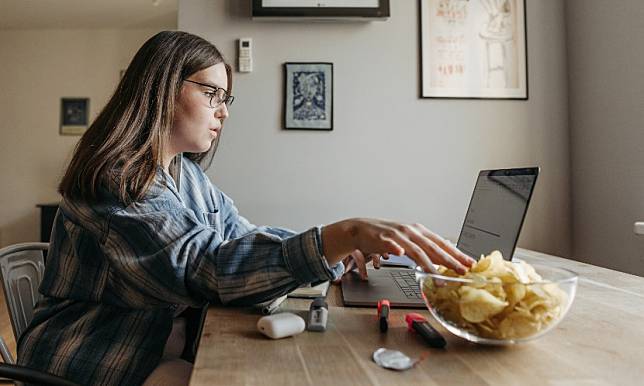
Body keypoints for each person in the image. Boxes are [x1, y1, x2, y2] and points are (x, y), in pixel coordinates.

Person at [17, 31, 474, 386]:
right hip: (96, 350)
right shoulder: (115, 183)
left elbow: (238, 236)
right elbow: (207, 268)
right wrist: (341, 235)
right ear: (161, 87)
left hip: (157, 340)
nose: (224, 111)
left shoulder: (187, 175)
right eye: (212, 93)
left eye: (225, 98)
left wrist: (332, 253)